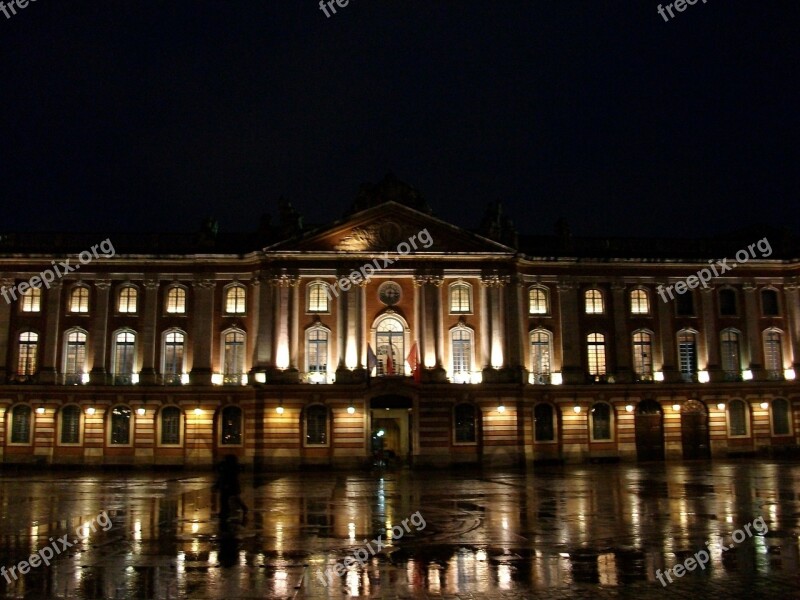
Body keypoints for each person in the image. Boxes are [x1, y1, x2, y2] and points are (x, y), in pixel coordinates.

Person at [214, 454, 248, 520]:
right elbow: (222, 476)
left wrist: (219, 485)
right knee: (230, 498)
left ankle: (225, 511)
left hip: (228, 486)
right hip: (230, 486)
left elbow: (223, 476)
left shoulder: (228, 467)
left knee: (225, 499)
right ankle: (225, 511)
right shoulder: (232, 466)